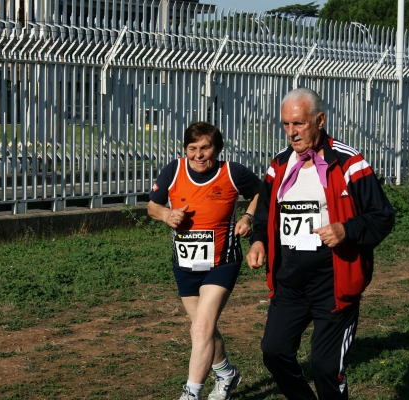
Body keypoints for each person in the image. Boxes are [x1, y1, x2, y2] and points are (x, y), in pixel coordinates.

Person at [246, 88, 395, 400]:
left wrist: (346, 229)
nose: (291, 132)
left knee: (325, 367)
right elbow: (264, 212)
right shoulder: (279, 164)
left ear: (320, 120)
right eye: (286, 124)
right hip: (289, 280)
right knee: (274, 352)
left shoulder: (349, 162)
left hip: (333, 280)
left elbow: (382, 216)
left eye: (298, 123)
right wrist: (259, 241)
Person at [148, 121, 260, 400]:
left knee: (201, 327)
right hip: (185, 264)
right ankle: (226, 373)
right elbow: (153, 205)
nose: (199, 155)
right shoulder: (174, 170)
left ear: (217, 149)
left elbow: (263, 191)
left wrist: (248, 217)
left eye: (205, 148)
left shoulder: (232, 172)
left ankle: (191, 393)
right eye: (192, 148)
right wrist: (167, 215)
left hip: (222, 263)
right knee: (202, 328)